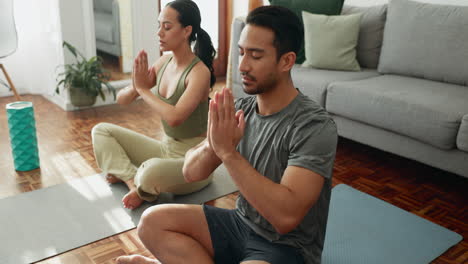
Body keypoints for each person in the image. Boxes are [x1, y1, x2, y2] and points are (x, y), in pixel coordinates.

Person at [116, 5, 338, 264]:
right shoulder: (241, 109)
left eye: (255, 56)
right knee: (151, 222)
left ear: (286, 61)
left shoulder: (313, 126)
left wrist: (228, 154)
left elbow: (285, 218)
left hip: (286, 247)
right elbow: (191, 172)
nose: (242, 65)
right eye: (241, 52)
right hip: (239, 223)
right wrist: (214, 145)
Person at [91, 0, 216, 210]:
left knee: (150, 171)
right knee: (101, 131)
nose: (159, 33)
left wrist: (143, 90)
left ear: (186, 31)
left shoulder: (199, 73)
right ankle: (134, 183)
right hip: (165, 149)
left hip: (194, 163)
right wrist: (135, 85)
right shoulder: (163, 63)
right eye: (159, 26)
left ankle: (139, 179)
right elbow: (122, 100)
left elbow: (176, 117)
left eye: (166, 27)